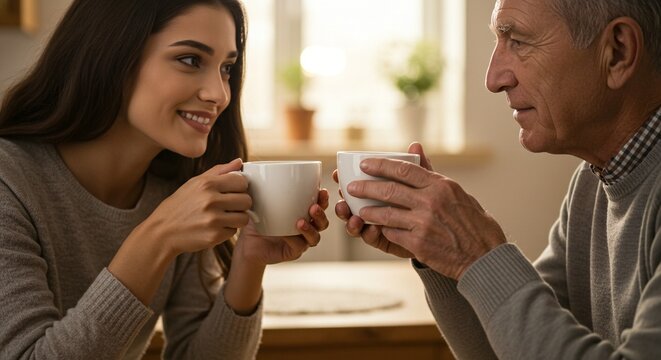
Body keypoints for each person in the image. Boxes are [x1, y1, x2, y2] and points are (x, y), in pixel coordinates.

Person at [0, 0, 329, 359]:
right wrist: (158, 237)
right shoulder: (9, 184)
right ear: (111, 55)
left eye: (227, 68)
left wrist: (249, 262)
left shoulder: (175, 187)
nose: (218, 95)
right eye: (190, 60)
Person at [335, 0, 661, 358]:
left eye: (518, 41)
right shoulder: (591, 184)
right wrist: (442, 257)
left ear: (618, 51)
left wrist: (479, 256)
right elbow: (508, 350)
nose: (493, 79)